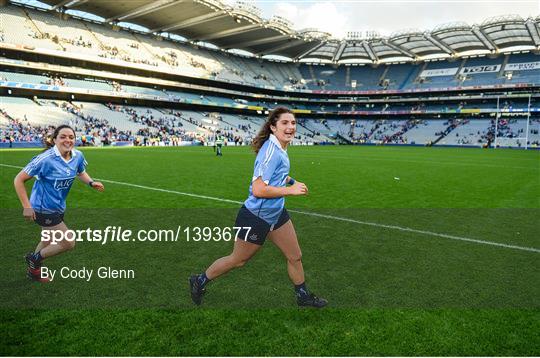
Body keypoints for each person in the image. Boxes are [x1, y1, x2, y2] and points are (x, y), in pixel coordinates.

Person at [189, 107, 327, 308]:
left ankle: (303, 296)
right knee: (238, 260)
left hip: (276, 213)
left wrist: (291, 181)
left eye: (293, 123)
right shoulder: (271, 152)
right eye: (285, 123)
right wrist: (291, 191)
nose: (290, 127)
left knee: (295, 256)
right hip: (256, 216)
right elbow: (259, 189)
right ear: (273, 127)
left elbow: (276, 175)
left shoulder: (280, 148)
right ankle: (200, 280)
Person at [13, 125, 104, 282]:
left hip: (58, 206)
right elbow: (19, 179)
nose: (67, 140)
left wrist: (91, 182)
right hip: (42, 208)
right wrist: (26, 206)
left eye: (71, 137)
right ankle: (33, 260)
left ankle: (33, 272)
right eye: (63, 137)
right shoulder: (45, 159)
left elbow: (80, 172)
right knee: (68, 242)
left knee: (47, 240)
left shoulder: (78, 156)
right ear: (54, 139)